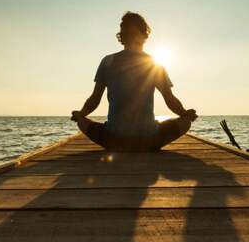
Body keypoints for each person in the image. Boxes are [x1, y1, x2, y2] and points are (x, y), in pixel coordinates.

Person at [71, 12, 197, 152]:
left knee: (82, 122)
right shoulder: (153, 63)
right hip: (148, 140)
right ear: (144, 34)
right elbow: (170, 99)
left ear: (122, 35)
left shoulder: (108, 61)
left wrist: (80, 115)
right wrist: (185, 114)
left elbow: (95, 99)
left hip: (114, 140)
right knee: (185, 123)